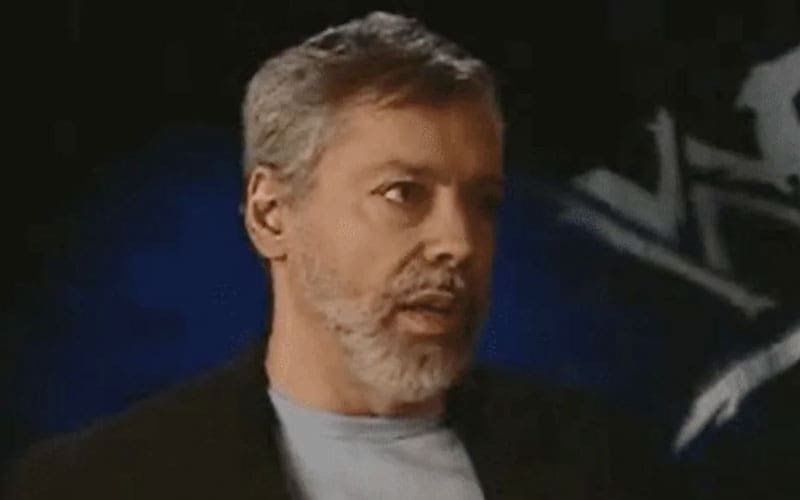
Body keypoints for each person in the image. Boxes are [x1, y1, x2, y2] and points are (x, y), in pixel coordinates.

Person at [5, 11, 678, 500]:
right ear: (270, 215)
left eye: (484, 202)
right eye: (403, 193)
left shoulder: (608, 465)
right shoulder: (97, 483)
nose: (460, 242)